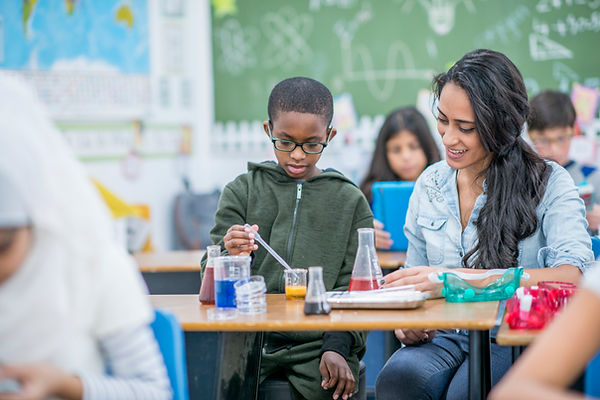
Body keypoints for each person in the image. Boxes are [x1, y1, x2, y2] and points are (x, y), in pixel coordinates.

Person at [375, 49, 593, 400]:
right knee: (398, 379)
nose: (447, 139)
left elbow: (572, 276)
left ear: (503, 127)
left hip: (511, 333)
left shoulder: (549, 182)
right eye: (443, 120)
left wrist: (459, 281)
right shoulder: (430, 184)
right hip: (445, 333)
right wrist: (409, 322)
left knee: (470, 391)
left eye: (465, 128)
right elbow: (417, 278)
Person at [0, 75, 171, 400]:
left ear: (39, 220)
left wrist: (66, 385)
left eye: (2, 246)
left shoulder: (92, 261)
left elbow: (154, 392)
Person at [204, 77, 372, 400]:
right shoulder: (242, 191)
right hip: (249, 342)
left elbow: (356, 291)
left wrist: (337, 347)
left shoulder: (349, 201)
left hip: (318, 345)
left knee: (330, 385)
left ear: (330, 136)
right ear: (268, 130)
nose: (297, 155)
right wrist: (230, 256)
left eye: (311, 144)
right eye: (285, 142)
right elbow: (207, 280)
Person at [489, 264, 600, 400]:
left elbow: (572, 276)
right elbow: (513, 392)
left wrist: (487, 278)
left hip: (502, 341)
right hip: (468, 335)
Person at [359, 106, 441, 249]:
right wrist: (364, 233)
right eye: (396, 149)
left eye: (414, 146)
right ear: (384, 154)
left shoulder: (447, 188)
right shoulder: (369, 196)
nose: (406, 157)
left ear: (428, 147)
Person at [528, 90, 600, 232]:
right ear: (530, 134)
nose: (554, 149)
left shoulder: (593, 176)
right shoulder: (523, 176)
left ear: (574, 130)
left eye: (561, 138)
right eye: (543, 140)